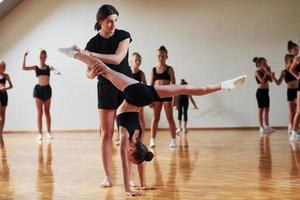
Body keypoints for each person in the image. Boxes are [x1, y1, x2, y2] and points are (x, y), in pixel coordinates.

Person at [58, 45, 247, 196]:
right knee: (104, 69)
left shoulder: (139, 138)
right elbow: (126, 165)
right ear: (130, 150)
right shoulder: (125, 136)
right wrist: (127, 189)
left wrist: (143, 184)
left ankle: (222, 85)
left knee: (185, 88)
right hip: (134, 92)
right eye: (130, 156)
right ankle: (75, 53)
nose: (128, 159)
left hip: (148, 93)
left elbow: (139, 159)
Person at [81, 4, 132, 187]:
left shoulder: (123, 35)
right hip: (105, 88)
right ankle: (108, 176)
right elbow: (88, 73)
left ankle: (130, 176)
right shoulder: (92, 42)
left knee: (127, 133)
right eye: (109, 21)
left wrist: (90, 55)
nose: (113, 24)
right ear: (100, 21)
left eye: (115, 20)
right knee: (106, 134)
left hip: (125, 85)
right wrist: (92, 74)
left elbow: (118, 59)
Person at [22, 50, 61, 141]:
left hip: (47, 90)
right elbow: (24, 68)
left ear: (46, 57)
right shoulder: (36, 67)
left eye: (44, 56)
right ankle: (39, 134)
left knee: (47, 112)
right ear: (39, 57)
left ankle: (48, 132)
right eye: (41, 56)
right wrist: (24, 56)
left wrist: (56, 72)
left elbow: (55, 69)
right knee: (40, 112)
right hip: (38, 90)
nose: (42, 58)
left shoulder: (48, 67)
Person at [150, 46, 177, 148]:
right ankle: (152, 140)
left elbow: (174, 85)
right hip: (156, 95)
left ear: (166, 57)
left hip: (167, 95)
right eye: (159, 56)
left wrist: (175, 98)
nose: (161, 58)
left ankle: (173, 140)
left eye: (163, 56)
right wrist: (150, 99)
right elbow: (151, 85)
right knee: (155, 118)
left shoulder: (170, 69)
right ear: (157, 57)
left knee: (170, 118)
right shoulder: (153, 70)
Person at [272, 54, 298, 135]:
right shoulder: (284, 72)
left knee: (298, 111)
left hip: (298, 91)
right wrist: (273, 77)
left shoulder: (296, 70)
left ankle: (295, 127)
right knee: (291, 111)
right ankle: (291, 126)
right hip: (290, 91)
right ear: (286, 62)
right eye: (292, 61)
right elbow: (278, 83)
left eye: (294, 61)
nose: (294, 62)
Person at [253, 57, 275, 135]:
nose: (266, 64)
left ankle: (267, 126)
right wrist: (266, 72)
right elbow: (262, 81)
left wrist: (271, 74)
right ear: (259, 64)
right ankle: (261, 127)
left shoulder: (265, 70)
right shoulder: (257, 71)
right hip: (260, 92)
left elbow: (271, 80)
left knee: (267, 109)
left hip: (266, 91)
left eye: (266, 63)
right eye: (264, 63)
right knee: (261, 110)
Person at [0, 60, 13, 148]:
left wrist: (5, 88)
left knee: (3, 116)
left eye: (4, 67)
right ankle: (0, 137)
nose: (3, 68)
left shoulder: (6, 75)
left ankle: (0, 134)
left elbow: (11, 86)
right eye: (2, 66)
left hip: (4, 95)